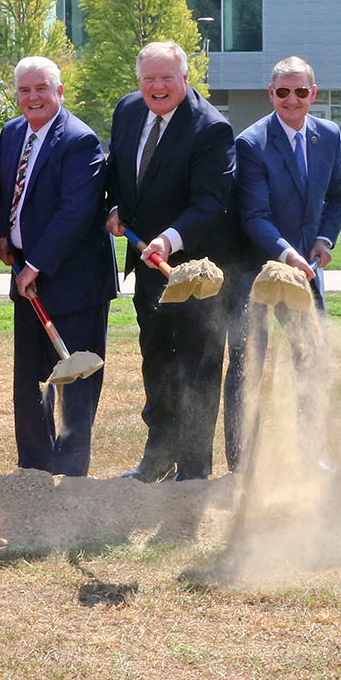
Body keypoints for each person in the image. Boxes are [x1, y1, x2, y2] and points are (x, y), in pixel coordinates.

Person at [103, 40, 236, 482]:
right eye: (149, 79)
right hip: (149, 268)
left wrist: (169, 239)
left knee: (197, 366)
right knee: (156, 358)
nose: (157, 87)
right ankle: (158, 458)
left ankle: (194, 470)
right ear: (138, 80)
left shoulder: (210, 129)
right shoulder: (127, 110)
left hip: (197, 272)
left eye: (166, 78)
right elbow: (119, 170)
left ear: (184, 78)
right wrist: (115, 206)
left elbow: (209, 203)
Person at [0, 57, 115, 477]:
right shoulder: (12, 133)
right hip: (27, 276)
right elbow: (1, 190)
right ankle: (34, 470)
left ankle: (71, 472)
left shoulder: (79, 140)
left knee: (75, 385)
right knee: (30, 380)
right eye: (24, 90)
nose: (32, 97)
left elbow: (74, 213)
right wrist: (3, 235)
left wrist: (37, 264)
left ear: (59, 92)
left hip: (74, 283)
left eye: (41, 88)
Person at [229, 55, 341, 465]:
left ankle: (310, 456)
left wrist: (322, 239)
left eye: (300, 91)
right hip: (257, 273)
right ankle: (242, 460)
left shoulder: (329, 136)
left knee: (312, 360)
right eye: (283, 91)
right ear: (271, 94)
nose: (292, 99)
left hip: (305, 273)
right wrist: (287, 254)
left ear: (313, 93)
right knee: (248, 365)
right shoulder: (251, 144)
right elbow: (255, 217)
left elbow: (338, 196)